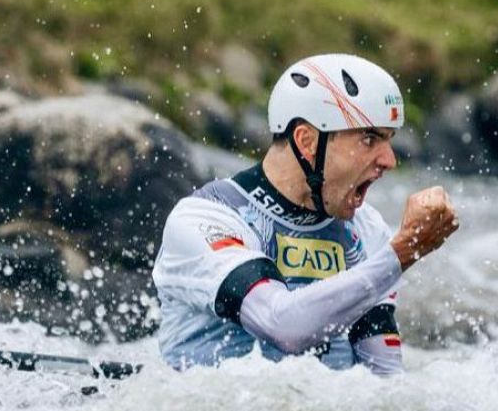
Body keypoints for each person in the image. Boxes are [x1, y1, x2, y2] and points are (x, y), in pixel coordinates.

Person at [153, 53, 459, 374]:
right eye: (369, 139)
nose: (389, 160)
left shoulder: (368, 230)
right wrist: (403, 252)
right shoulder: (207, 218)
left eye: (388, 140)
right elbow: (282, 326)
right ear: (307, 140)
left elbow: (386, 379)